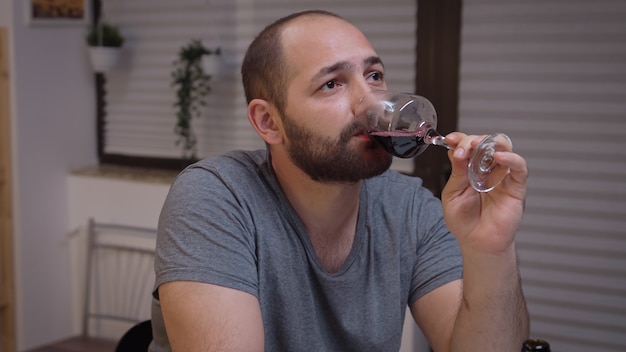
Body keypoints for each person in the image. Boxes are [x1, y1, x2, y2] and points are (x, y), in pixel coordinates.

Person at [149, 9, 530, 352]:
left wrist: (491, 252)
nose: (369, 104)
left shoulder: (409, 207)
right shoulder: (216, 197)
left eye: (374, 76)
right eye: (332, 83)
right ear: (269, 122)